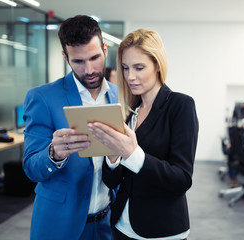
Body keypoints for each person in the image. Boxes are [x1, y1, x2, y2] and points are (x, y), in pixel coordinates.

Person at [87, 29, 199, 239]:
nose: (130, 76)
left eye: (139, 67)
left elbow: (181, 179)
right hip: (122, 225)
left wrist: (132, 154)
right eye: (125, 68)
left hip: (160, 230)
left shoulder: (180, 105)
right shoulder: (130, 110)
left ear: (157, 65)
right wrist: (112, 158)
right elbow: (113, 182)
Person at [22, 15, 118, 240]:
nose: (90, 69)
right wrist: (53, 154)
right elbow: (31, 167)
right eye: (79, 61)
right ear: (66, 58)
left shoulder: (121, 95)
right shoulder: (42, 98)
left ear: (105, 49)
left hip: (109, 223)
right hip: (59, 225)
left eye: (95, 57)